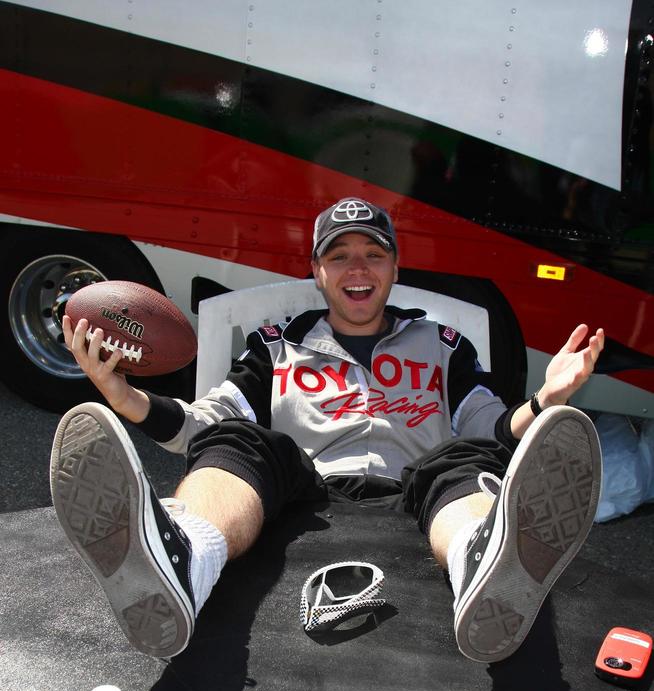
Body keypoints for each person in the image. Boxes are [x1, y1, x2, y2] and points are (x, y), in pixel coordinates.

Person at [50, 198, 604, 664]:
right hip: (302, 496)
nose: (357, 270)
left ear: (394, 267)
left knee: (465, 457)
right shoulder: (275, 344)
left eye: (373, 255)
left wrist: (546, 400)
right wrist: (123, 395)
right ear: (317, 271)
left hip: (422, 499)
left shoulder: (442, 344)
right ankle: (185, 558)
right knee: (239, 440)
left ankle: (481, 563)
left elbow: (493, 427)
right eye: (339, 257)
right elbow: (200, 427)